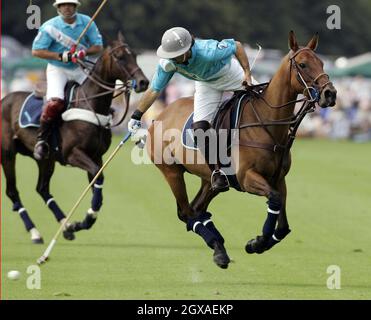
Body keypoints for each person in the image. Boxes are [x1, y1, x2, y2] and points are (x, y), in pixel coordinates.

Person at [128, 27, 253, 192]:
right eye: (170, 55)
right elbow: (154, 90)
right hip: (206, 84)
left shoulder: (208, 51)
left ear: (188, 49)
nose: (173, 59)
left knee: (261, 102)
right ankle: (218, 171)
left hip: (229, 74)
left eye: (177, 55)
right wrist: (136, 115)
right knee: (199, 128)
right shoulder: (168, 63)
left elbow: (236, 46)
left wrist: (246, 73)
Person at [32, 0, 103, 160]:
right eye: (63, 5)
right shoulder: (49, 27)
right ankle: (41, 140)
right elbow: (36, 51)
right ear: (58, 8)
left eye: (70, 5)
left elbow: (98, 47)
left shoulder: (87, 22)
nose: (67, 8)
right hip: (58, 69)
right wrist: (60, 56)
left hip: (80, 67)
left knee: (98, 95)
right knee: (55, 103)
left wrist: (84, 53)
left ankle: (102, 131)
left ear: (76, 7)